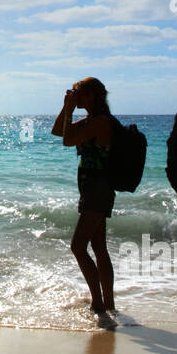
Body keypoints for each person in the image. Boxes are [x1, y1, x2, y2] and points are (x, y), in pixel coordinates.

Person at [51, 77, 115, 315]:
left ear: (91, 96)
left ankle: (98, 303)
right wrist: (66, 108)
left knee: (78, 246)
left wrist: (69, 109)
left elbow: (68, 141)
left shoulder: (100, 122)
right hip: (93, 189)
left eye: (78, 92)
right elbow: (58, 131)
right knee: (99, 247)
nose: (74, 95)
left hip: (98, 190)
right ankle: (108, 303)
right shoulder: (91, 120)